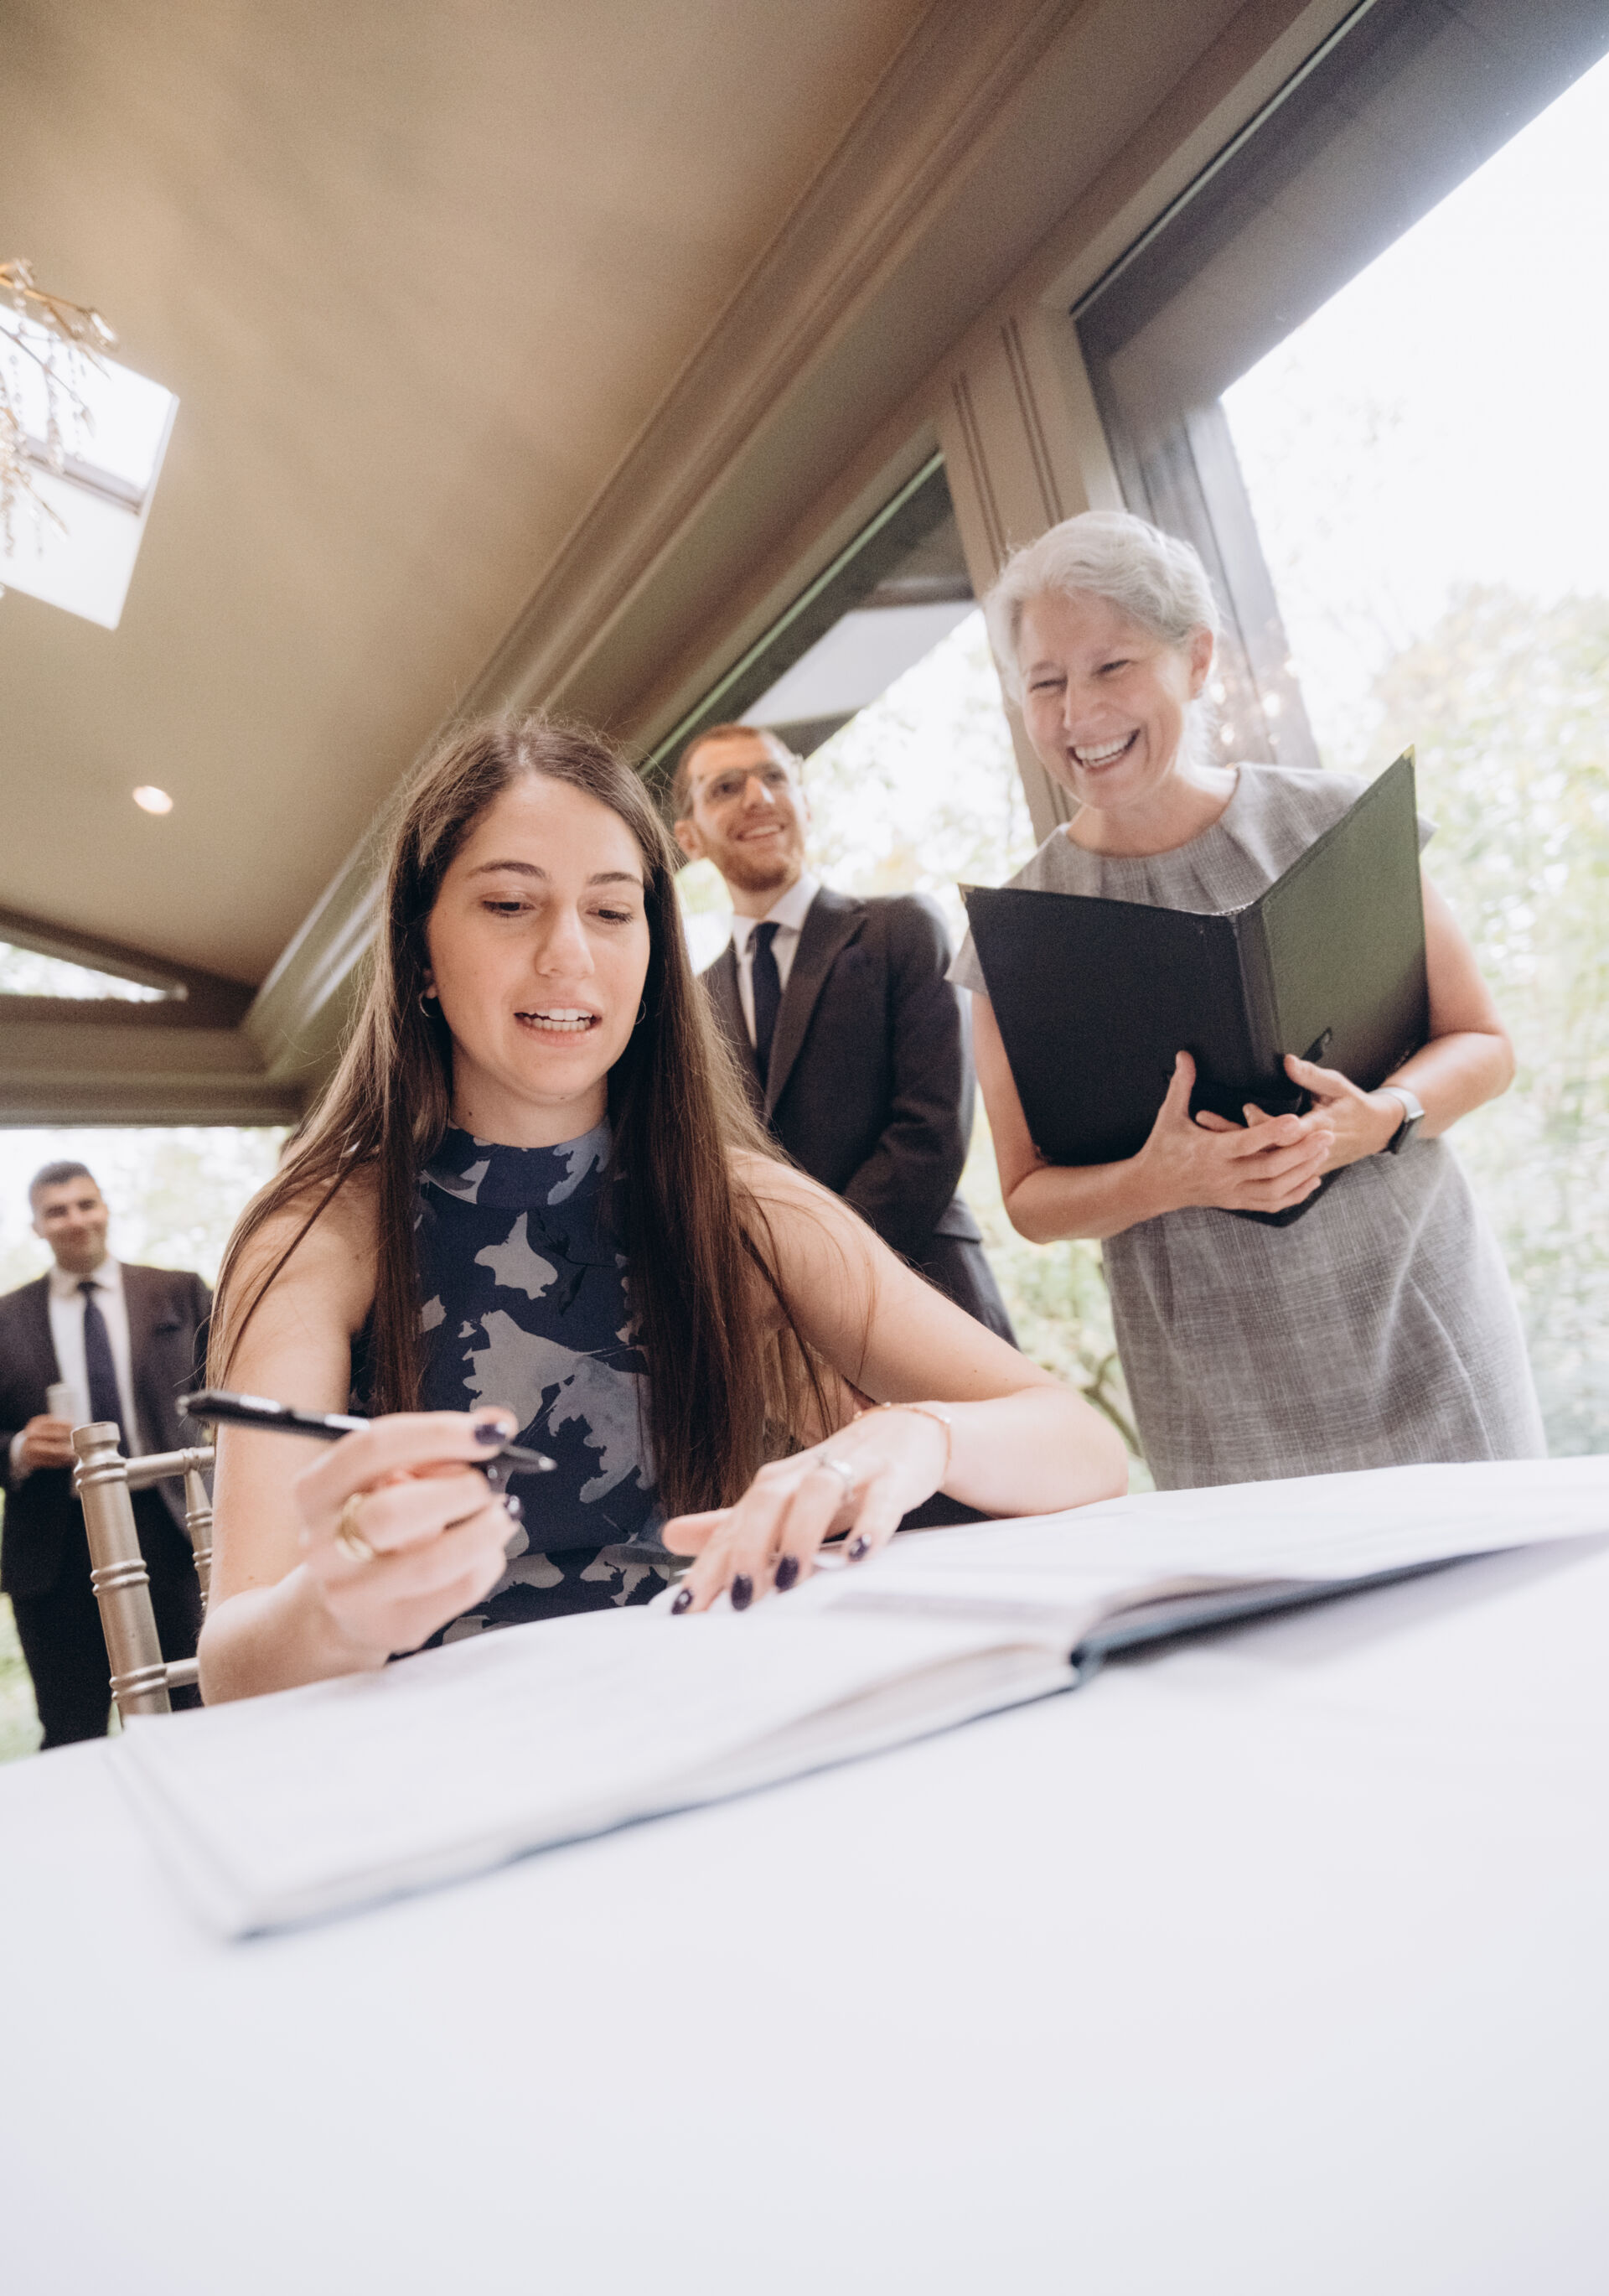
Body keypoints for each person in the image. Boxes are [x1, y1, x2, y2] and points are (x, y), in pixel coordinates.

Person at [197, 718, 1125, 1702]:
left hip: (706, 1720)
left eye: (611, 911)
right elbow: (233, 1669)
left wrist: (922, 1436)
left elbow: (1083, 1446)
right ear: (418, 951)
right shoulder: (322, 1233)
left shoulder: (741, 1205)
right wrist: (332, 1611)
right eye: (509, 904)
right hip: (430, 1751)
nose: (568, 955)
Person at [950, 509, 1545, 1490]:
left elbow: (1484, 1044)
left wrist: (1380, 1118)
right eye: (1045, 683)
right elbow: (1028, 1198)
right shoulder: (1014, 932)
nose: (1077, 714)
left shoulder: (1333, 821)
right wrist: (1167, 1179)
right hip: (1216, 1396)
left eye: (1111, 666)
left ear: (1197, 659)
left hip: (1428, 1339)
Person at [672, 723, 1013, 1340]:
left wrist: (811, 1280)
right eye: (725, 787)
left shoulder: (903, 928)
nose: (758, 797)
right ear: (689, 837)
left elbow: (931, 1129)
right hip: (782, 1341)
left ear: (805, 802)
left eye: (774, 777)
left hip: (926, 1289)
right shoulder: (690, 1007)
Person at [0, 1163, 211, 1745]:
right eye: (57, 1211)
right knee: (72, 1729)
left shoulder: (181, 1292)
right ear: (36, 1226)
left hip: (175, 1531)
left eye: (85, 1204)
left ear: (105, 1208)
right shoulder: (5, 1318)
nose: (75, 1220)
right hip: (56, 1543)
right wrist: (18, 1447)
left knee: (197, 1714)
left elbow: (233, 1387)